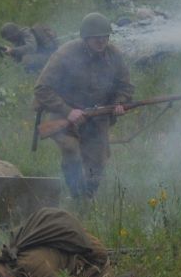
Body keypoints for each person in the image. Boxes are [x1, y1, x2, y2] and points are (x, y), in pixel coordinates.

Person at [33, 13, 133, 200]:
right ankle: (75, 194)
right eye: (97, 38)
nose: (102, 41)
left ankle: (86, 199)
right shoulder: (65, 54)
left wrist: (120, 102)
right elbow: (42, 88)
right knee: (71, 151)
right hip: (63, 114)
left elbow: (125, 86)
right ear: (86, 37)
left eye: (105, 37)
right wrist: (68, 111)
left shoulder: (114, 55)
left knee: (97, 164)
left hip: (97, 117)